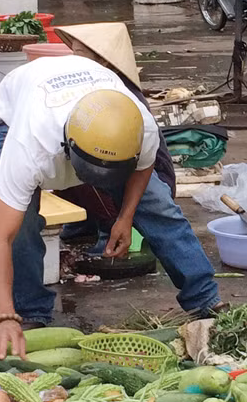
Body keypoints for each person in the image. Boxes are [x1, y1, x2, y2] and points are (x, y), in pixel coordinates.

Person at [0, 54, 221, 358]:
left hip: (90, 107)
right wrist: (2, 315)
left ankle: (206, 300)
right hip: (14, 117)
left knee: (158, 205)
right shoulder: (29, 147)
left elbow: (144, 168)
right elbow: (0, 238)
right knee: (23, 225)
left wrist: (126, 216)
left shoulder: (138, 126)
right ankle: (29, 313)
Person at [52, 22, 178, 253]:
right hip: (122, 172)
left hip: (147, 176)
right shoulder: (91, 87)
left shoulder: (120, 95)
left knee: (87, 159)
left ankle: (109, 228)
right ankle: (84, 222)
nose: (74, 60)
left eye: (80, 55)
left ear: (104, 61)